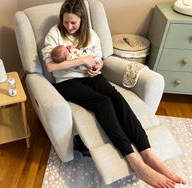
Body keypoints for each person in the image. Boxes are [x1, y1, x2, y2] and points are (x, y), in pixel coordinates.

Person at [41, 0, 187, 187]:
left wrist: (96, 66)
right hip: (67, 82)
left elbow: (101, 60)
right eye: (66, 22)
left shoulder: (91, 35)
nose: (69, 26)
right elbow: (50, 66)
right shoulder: (55, 33)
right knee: (102, 102)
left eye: (73, 23)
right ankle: (133, 159)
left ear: (82, 21)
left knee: (117, 97)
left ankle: (148, 153)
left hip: (92, 77)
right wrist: (82, 60)